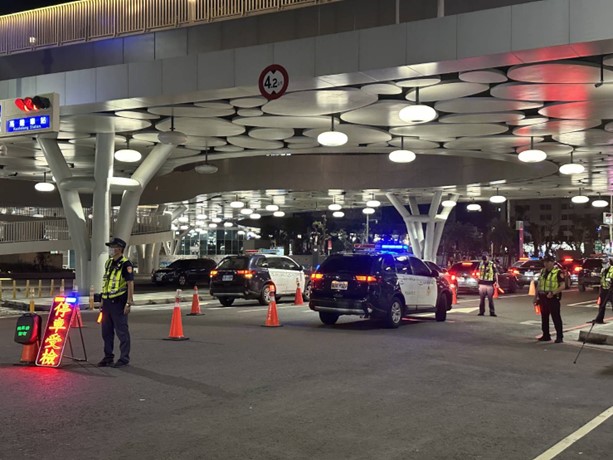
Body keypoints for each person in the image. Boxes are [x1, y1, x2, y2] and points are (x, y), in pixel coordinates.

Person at [97, 237, 134, 368]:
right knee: (106, 332)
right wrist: (102, 301)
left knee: (122, 332)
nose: (111, 249)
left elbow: (130, 283)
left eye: (112, 247)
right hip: (107, 303)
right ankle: (108, 357)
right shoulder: (108, 263)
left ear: (119, 249)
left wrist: (129, 303)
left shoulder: (126, 264)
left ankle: (124, 358)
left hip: (119, 303)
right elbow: (106, 283)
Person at [533, 255, 565, 343]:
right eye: (545, 262)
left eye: (548, 262)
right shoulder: (543, 271)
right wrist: (535, 297)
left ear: (553, 262)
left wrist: (553, 293)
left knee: (556, 317)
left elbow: (562, 286)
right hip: (543, 297)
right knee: (544, 317)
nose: (546, 264)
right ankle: (546, 335)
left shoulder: (558, 272)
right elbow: (539, 285)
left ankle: (559, 337)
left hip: (553, 298)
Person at [594, 257, 613, 324]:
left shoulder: (612, 270)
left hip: (611, 290)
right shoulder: (603, 270)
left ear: (609, 263)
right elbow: (602, 278)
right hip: (604, 290)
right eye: (603, 263)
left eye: (605, 263)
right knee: (601, 305)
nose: (604, 265)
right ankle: (599, 319)